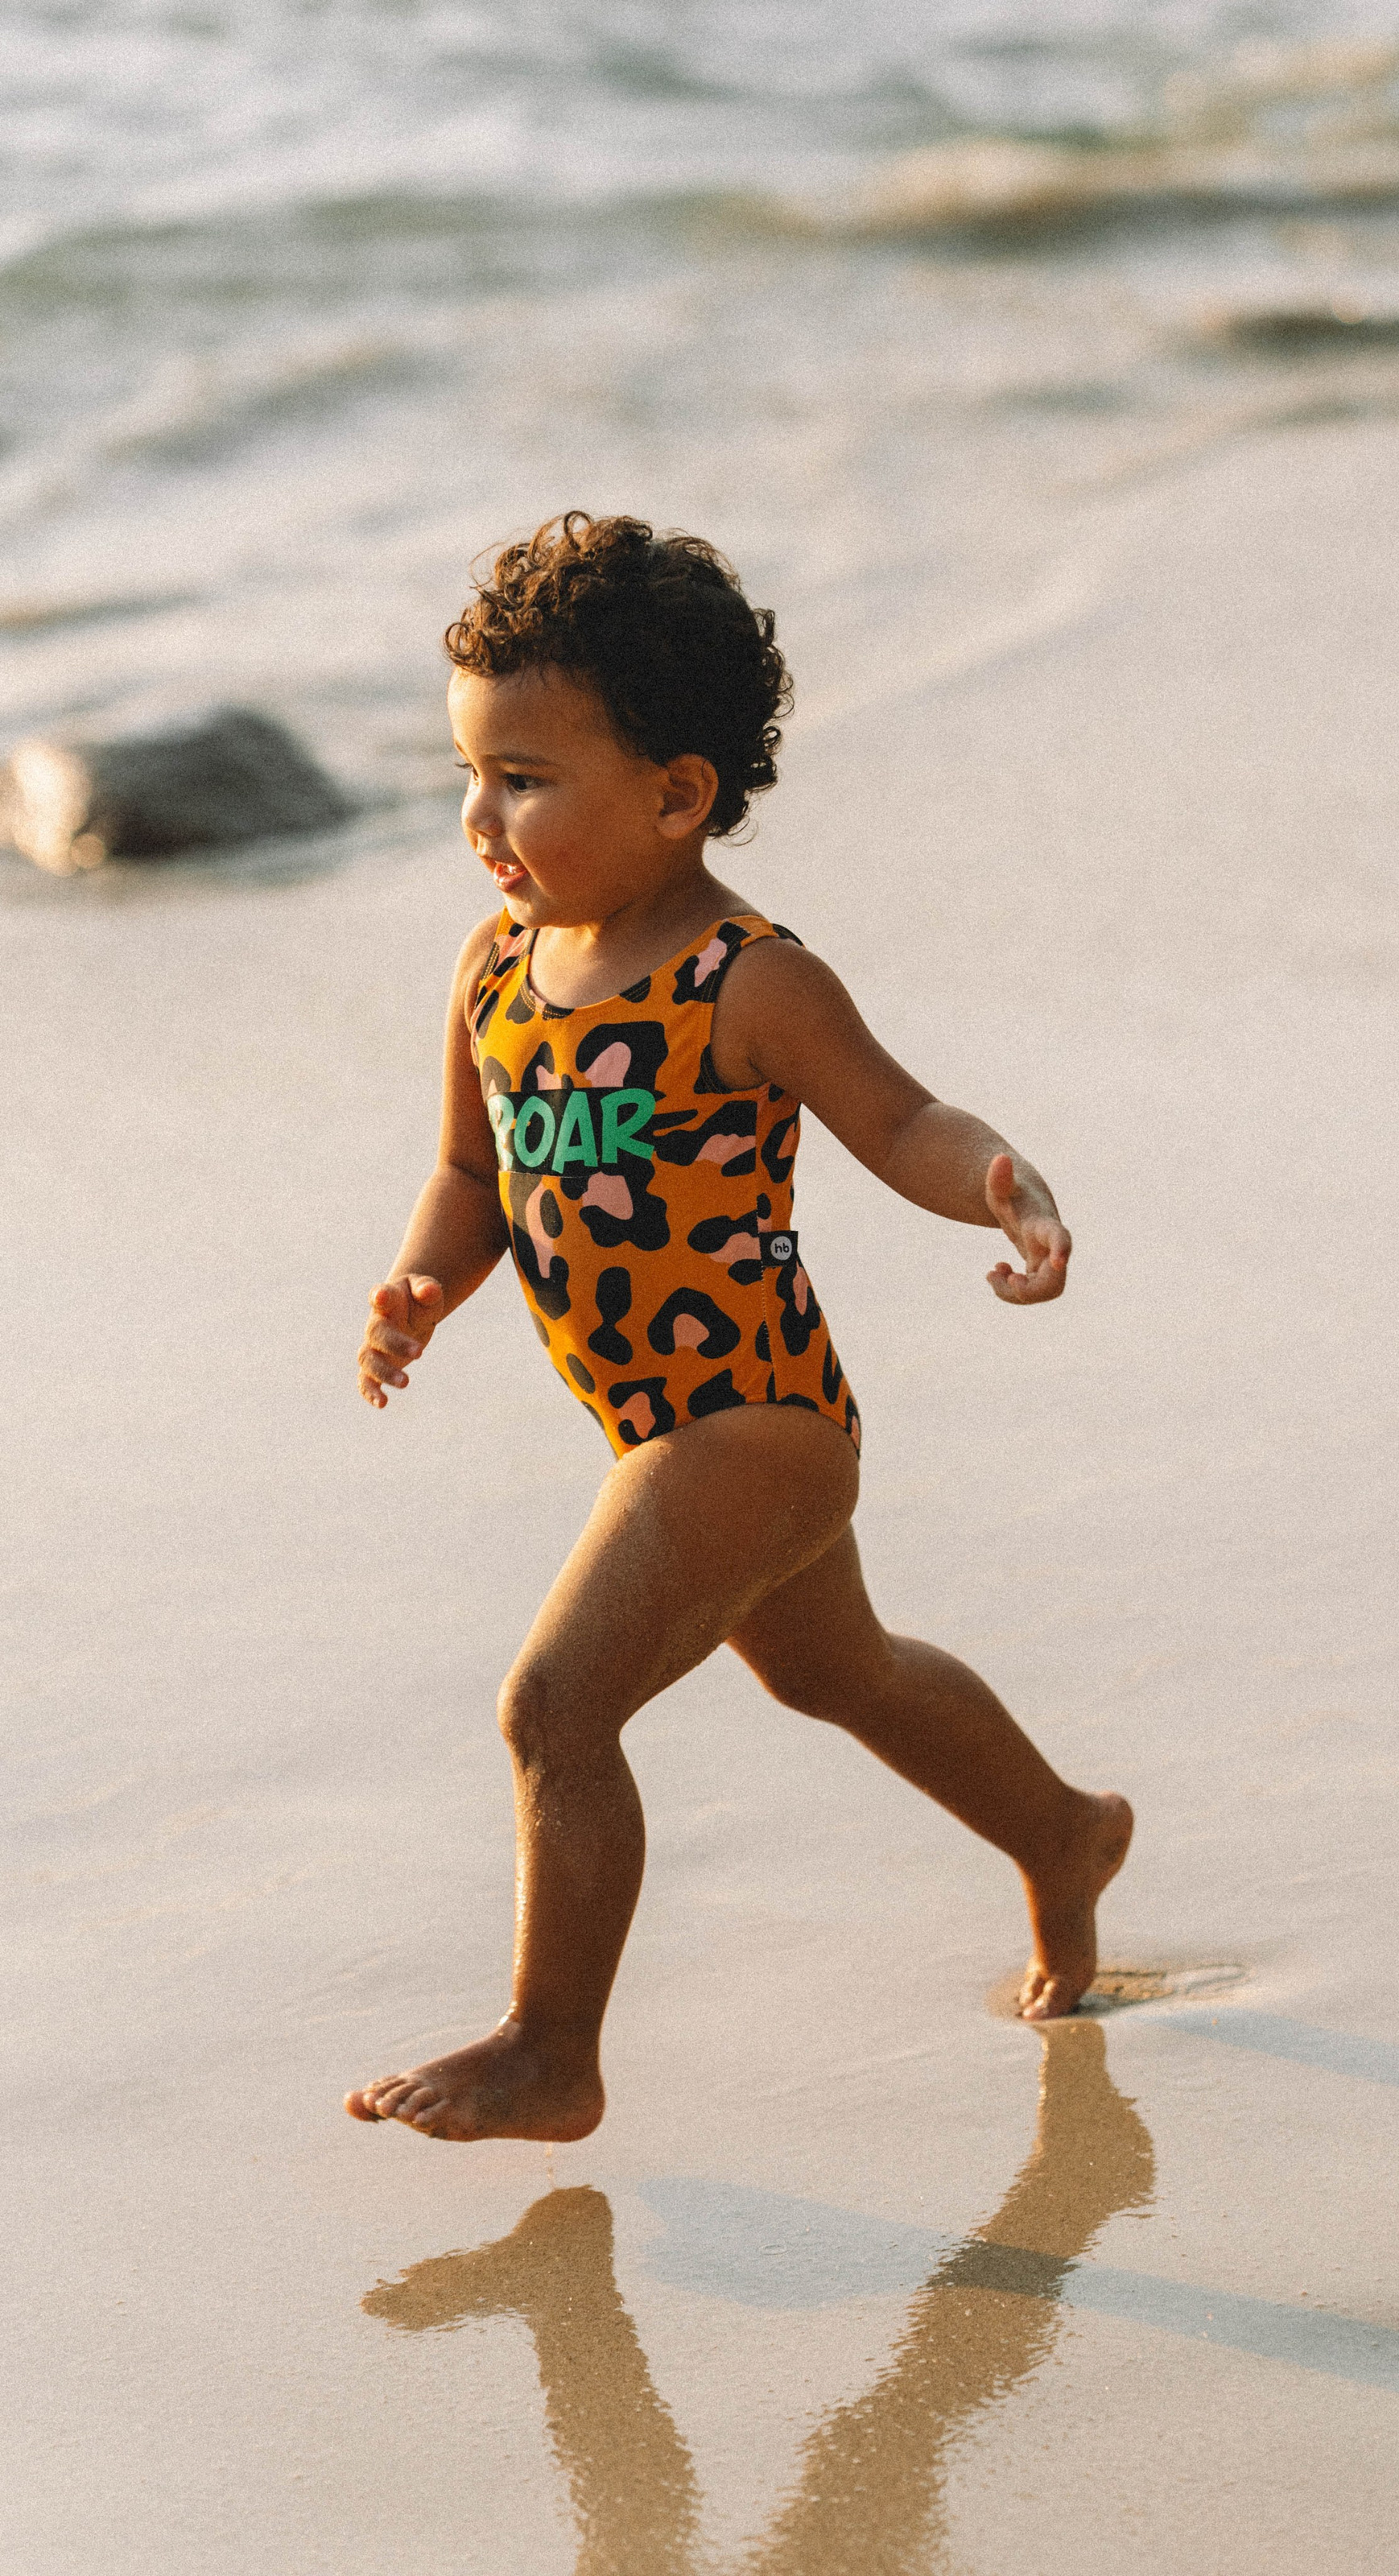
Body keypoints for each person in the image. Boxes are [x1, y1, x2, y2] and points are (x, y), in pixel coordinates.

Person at [346, 512, 1131, 2145]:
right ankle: (1060, 1833)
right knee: (843, 1675)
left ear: (677, 791)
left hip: (752, 1420)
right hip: (660, 1428)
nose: (484, 820)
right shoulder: (495, 972)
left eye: (528, 779)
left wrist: (1000, 1182)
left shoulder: (739, 980)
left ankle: (552, 2049)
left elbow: (899, 1120)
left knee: (553, 1711)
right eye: (473, 776)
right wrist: (425, 1281)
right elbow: (469, 1172)